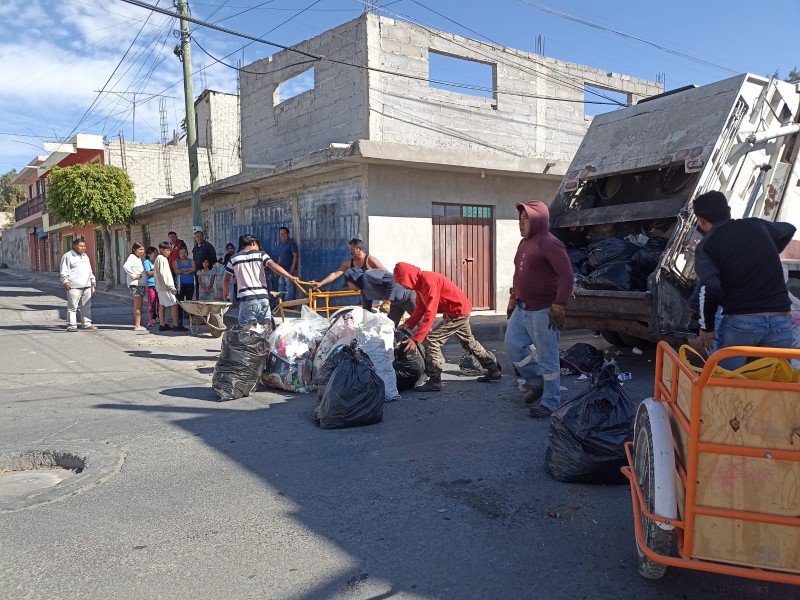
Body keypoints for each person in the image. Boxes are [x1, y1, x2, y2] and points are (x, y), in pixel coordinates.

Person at [693, 190, 796, 369]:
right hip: (781, 320)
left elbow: (710, 288)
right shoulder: (756, 225)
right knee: (776, 383)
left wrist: (706, 328)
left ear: (701, 221)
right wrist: (768, 250)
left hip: (742, 323)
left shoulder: (707, 245)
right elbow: (788, 229)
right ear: (729, 211)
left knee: (727, 381)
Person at [504, 201, 573, 418]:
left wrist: (560, 303)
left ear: (538, 220)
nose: (520, 223)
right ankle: (536, 382)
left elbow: (566, 275)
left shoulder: (549, 243)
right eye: (520, 218)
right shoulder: (524, 243)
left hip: (544, 311)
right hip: (523, 308)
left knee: (547, 357)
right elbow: (518, 273)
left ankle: (551, 402)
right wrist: (514, 297)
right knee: (513, 346)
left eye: (526, 219)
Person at [393, 262, 501, 391]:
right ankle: (494, 370)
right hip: (457, 311)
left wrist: (416, 338)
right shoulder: (419, 287)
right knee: (469, 342)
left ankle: (435, 381)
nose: (402, 285)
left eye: (402, 281)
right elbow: (420, 308)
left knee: (432, 340)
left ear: (409, 276)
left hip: (458, 313)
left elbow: (430, 311)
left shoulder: (428, 280)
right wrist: (408, 324)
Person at [222, 234, 299, 330]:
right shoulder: (261, 255)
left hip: (247, 300)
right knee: (265, 331)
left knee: (247, 332)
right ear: (254, 243)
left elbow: (226, 279)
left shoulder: (234, 259)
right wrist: (290, 276)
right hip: (263, 299)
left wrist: (226, 291)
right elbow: (274, 266)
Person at [343, 267, 416, 327]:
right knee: (389, 327)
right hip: (395, 304)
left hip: (408, 296)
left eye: (348, 285)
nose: (350, 288)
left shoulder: (369, 275)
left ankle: (426, 342)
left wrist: (387, 301)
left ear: (352, 280)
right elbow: (366, 312)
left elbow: (393, 280)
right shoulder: (364, 293)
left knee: (420, 321)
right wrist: (363, 325)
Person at [311, 238, 387, 291]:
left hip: (372, 292)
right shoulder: (349, 262)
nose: (350, 252)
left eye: (352, 250)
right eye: (349, 249)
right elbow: (335, 274)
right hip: (358, 293)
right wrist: (321, 283)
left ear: (359, 249)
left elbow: (386, 273)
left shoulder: (370, 260)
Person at [59, 238, 97, 332]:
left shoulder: (85, 256)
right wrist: (65, 281)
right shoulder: (68, 256)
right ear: (74, 246)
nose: (83, 248)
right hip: (74, 286)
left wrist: (93, 280)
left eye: (84, 246)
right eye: (81, 246)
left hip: (87, 285)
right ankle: (71, 325)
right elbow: (64, 271)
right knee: (72, 307)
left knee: (86, 306)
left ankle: (87, 324)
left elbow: (89, 270)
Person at [154, 241, 187, 332]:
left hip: (160, 287)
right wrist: (172, 287)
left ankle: (162, 324)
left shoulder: (158, 259)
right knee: (174, 304)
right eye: (167, 250)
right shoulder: (162, 259)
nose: (169, 252)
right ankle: (176, 325)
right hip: (166, 287)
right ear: (161, 250)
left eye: (170, 250)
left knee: (162, 305)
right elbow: (165, 275)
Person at [122, 243, 148, 332]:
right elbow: (125, 266)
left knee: (139, 305)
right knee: (138, 306)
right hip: (136, 284)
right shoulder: (132, 258)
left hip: (140, 284)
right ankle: (137, 325)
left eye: (143, 249)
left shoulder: (137, 258)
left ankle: (138, 324)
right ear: (134, 249)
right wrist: (134, 275)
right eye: (140, 249)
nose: (142, 251)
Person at [275, 227, 299, 301]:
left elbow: (295, 255)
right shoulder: (282, 245)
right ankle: (281, 302)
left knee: (289, 286)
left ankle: (288, 303)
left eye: (284, 233)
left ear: (288, 234)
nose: (282, 235)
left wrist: (293, 267)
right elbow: (280, 257)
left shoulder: (291, 243)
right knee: (281, 285)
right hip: (282, 270)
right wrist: (277, 266)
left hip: (289, 270)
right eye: (280, 234)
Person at [191, 230, 216, 299]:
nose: (199, 238)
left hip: (207, 271)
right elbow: (194, 258)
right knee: (198, 287)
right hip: (198, 270)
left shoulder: (208, 246)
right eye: (197, 236)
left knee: (208, 286)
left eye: (201, 236)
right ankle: (199, 301)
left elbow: (214, 258)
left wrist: (207, 266)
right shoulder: (195, 248)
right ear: (195, 238)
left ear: (203, 237)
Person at [174, 247, 195, 321]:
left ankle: (189, 316)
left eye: (185, 252)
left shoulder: (191, 261)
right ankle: (180, 318)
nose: (183, 254)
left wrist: (182, 270)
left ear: (187, 253)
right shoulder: (176, 261)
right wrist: (188, 270)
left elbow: (193, 269)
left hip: (190, 283)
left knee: (189, 300)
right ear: (179, 254)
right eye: (181, 253)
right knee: (181, 301)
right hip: (180, 284)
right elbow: (176, 271)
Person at [143, 247, 159, 328]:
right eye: (154, 253)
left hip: (159, 284)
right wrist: (157, 271)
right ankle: (150, 320)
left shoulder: (158, 261)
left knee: (160, 303)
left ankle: (160, 318)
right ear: (149, 254)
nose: (156, 255)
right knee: (151, 303)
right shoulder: (147, 262)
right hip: (151, 285)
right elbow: (149, 273)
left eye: (157, 253)